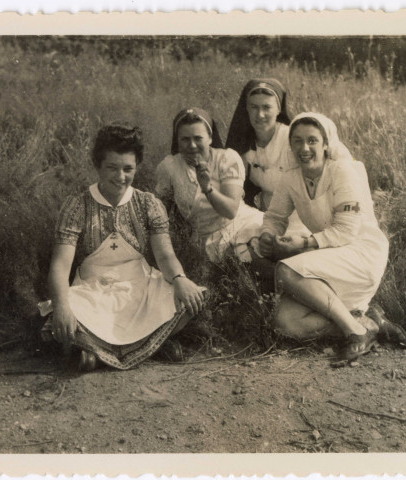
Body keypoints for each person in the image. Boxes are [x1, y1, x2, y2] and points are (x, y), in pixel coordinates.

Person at [39, 123, 207, 371]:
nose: (120, 177)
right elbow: (60, 266)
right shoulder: (77, 206)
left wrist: (181, 279)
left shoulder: (148, 203)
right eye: (112, 168)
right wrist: (63, 306)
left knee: (190, 297)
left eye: (128, 169)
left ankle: (94, 353)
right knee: (62, 311)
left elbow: (165, 255)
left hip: (139, 287)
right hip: (93, 291)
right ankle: (154, 346)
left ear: (137, 166)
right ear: (97, 166)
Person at [259, 112, 404, 362]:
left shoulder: (343, 171)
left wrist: (303, 243)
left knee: (286, 271)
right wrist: (267, 236)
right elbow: (275, 216)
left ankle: (355, 332)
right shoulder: (291, 177)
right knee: (284, 323)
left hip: (360, 252)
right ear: (290, 144)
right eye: (297, 141)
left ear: (326, 144)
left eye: (312, 140)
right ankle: (366, 321)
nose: (304, 148)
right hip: (329, 253)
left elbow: (347, 230)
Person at [155, 107, 263, 263]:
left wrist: (207, 188)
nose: (192, 145)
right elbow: (160, 211)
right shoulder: (169, 167)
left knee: (267, 247)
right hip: (211, 239)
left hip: (242, 222)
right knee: (252, 263)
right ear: (177, 140)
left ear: (210, 138)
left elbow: (231, 211)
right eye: (185, 139)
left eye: (198, 138)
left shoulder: (226, 158)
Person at [225, 78, 309, 238]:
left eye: (267, 107)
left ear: (278, 109)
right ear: (246, 109)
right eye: (254, 107)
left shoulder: (292, 139)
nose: (260, 115)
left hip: (301, 216)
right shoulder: (242, 146)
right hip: (268, 217)